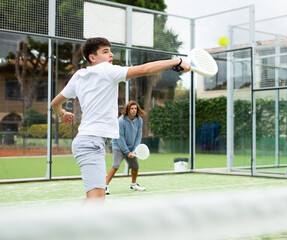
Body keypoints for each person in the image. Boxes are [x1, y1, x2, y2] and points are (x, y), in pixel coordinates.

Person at [50, 37, 191, 201]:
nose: (111, 54)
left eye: (110, 50)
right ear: (92, 58)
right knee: (96, 199)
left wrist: (61, 113)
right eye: (105, 51)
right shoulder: (107, 70)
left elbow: (54, 103)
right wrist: (178, 61)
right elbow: (145, 69)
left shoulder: (79, 75)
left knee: (96, 198)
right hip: (90, 143)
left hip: (88, 142)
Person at [105, 101, 146, 194]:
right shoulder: (121, 121)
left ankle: (133, 185)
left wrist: (135, 150)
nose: (133, 110)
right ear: (127, 110)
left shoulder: (139, 120)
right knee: (116, 166)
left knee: (135, 166)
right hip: (118, 146)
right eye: (131, 108)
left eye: (135, 108)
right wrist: (127, 152)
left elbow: (138, 136)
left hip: (132, 147)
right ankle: (105, 186)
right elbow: (120, 138)